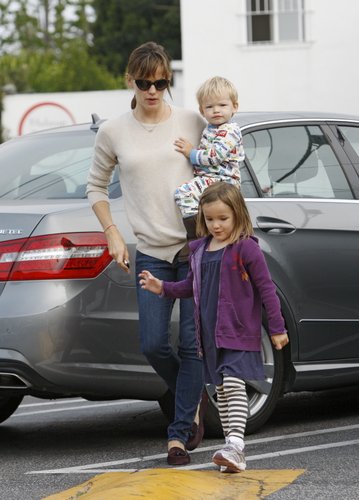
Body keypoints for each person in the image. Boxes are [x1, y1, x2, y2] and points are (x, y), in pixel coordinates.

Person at [86, 41, 206, 466]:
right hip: (151, 252)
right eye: (144, 82)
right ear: (130, 79)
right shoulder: (113, 131)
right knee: (153, 344)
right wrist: (112, 232)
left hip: (194, 249)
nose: (152, 90)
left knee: (192, 346)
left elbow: (221, 168)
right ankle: (190, 396)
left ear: (167, 81)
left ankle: (178, 434)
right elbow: (96, 186)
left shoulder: (192, 121)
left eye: (160, 83)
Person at [139, 182, 289, 473]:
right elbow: (189, 287)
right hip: (210, 336)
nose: (216, 225)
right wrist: (162, 288)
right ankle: (233, 451)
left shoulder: (245, 248)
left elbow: (266, 289)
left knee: (233, 384)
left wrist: (277, 327)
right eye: (209, 219)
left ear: (238, 215)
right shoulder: (200, 250)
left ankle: (235, 445)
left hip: (238, 329)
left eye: (223, 218)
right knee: (221, 389)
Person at [173, 76, 245, 251]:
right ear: (201, 110)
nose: (216, 110)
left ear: (235, 106)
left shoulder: (230, 131)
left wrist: (191, 153)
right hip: (211, 179)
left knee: (183, 192)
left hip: (224, 182)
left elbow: (214, 157)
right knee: (191, 196)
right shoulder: (211, 129)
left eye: (222, 105)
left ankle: (196, 238)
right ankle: (204, 235)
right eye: (210, 107)